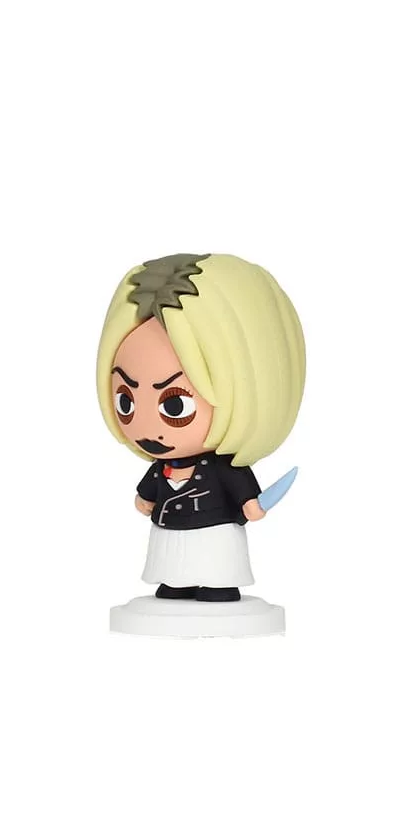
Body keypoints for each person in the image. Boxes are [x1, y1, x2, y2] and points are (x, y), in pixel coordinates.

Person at [96, 253, 306, 601]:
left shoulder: (222, 468)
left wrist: (251, 505)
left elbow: (245, 497)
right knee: (172, 572)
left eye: (174, 404)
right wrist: (144, 500)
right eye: (126, 401)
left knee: (216, 568)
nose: (146, 426)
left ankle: (218, 585)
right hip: (169, 534)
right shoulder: (162, 466)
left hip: (215, 535)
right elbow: (147, 493)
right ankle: (175, 582)